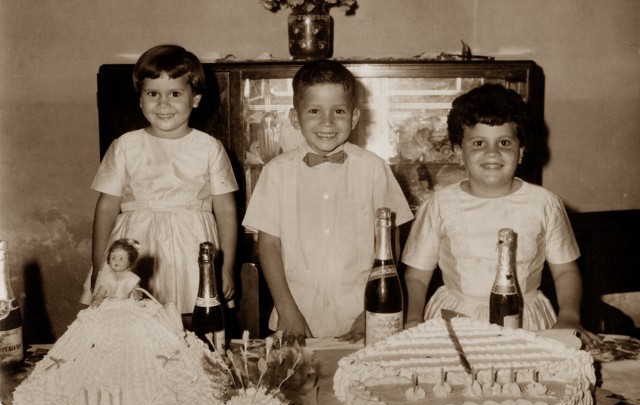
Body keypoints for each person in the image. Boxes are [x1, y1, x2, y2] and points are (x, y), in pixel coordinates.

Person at [402, 83, 599, 347]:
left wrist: (569, 316)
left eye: (504, 142)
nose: (492, 153)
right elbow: (416, 275)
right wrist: (413, 318)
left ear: (521, 151)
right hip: (454, 320)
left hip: (526, 319)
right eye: (479, 143)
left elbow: (565, 271)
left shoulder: (544, 203)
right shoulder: (439, 204)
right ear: (459, 152)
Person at [242, 60, 413, 342]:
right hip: (295, 317)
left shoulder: (373, 169)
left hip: (362, 317)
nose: (327, 122)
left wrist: (373, 310)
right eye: (314, 111)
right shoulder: (276, 172)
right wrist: (288, 311)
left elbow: (389, 241)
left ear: (355, 117)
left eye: (339, 111)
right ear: (295, 118)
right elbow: (268, 246)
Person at [80, 45, 238, 318]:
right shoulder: (126, 146)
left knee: (194, 323)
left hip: (192, 249)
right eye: (153, 94)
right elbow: (106, 209)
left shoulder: (209, 147)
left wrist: (226, 267)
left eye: (175, 93)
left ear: (196, 99)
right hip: (137, 249)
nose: (163, 104)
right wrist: (99, 267)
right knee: (132, 324)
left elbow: (225, 211)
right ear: (140, 100)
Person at [91, 238, 142, 306]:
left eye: (121, 258)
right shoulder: (108, 278)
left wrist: (137, 294)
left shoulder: (131, 278)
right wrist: (98, 298)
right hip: (110, 305)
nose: (116, 261)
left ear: (130, 261)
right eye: (113, 258)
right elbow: (100, 293)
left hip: (126, 305)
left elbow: (139, 294)